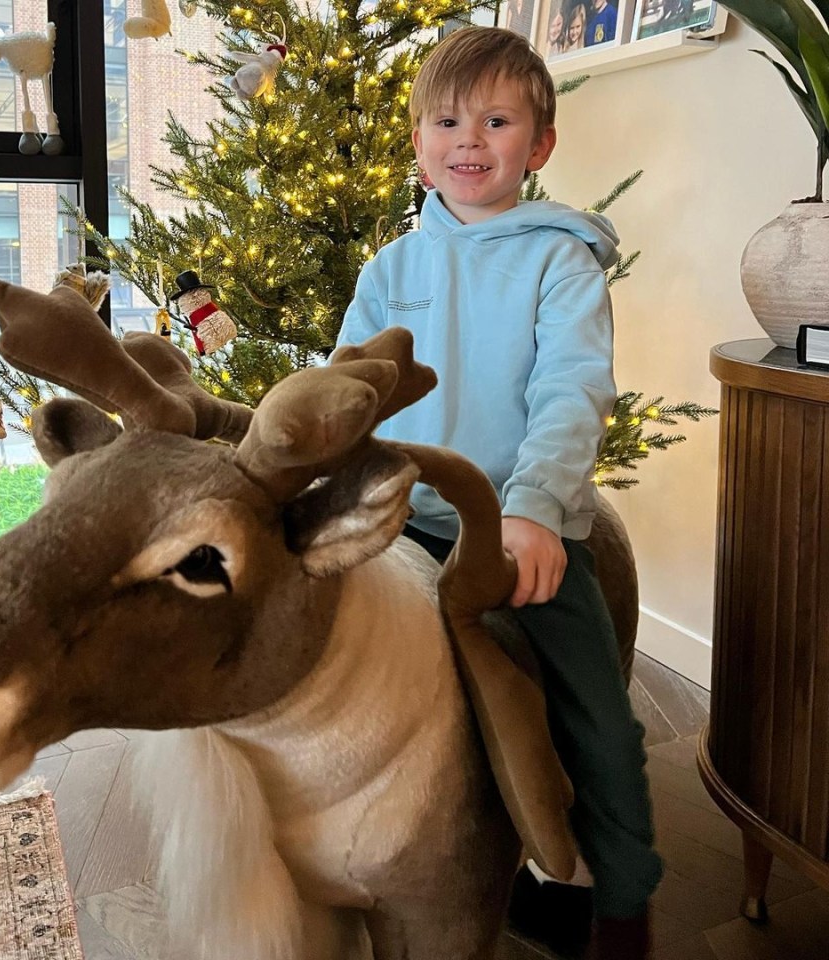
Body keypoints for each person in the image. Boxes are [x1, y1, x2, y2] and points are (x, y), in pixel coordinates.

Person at [336, 25, 662, 960]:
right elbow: (349, 389)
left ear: (540, 145)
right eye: (446, 120)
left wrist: (533, 509)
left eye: (497, 119)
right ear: (419, 143)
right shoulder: (386, 272)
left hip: (521, 527)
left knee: (597, 712)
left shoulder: (561, 262)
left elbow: (572, 391)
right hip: (401, 519)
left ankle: (620, 896)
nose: (468, 139)